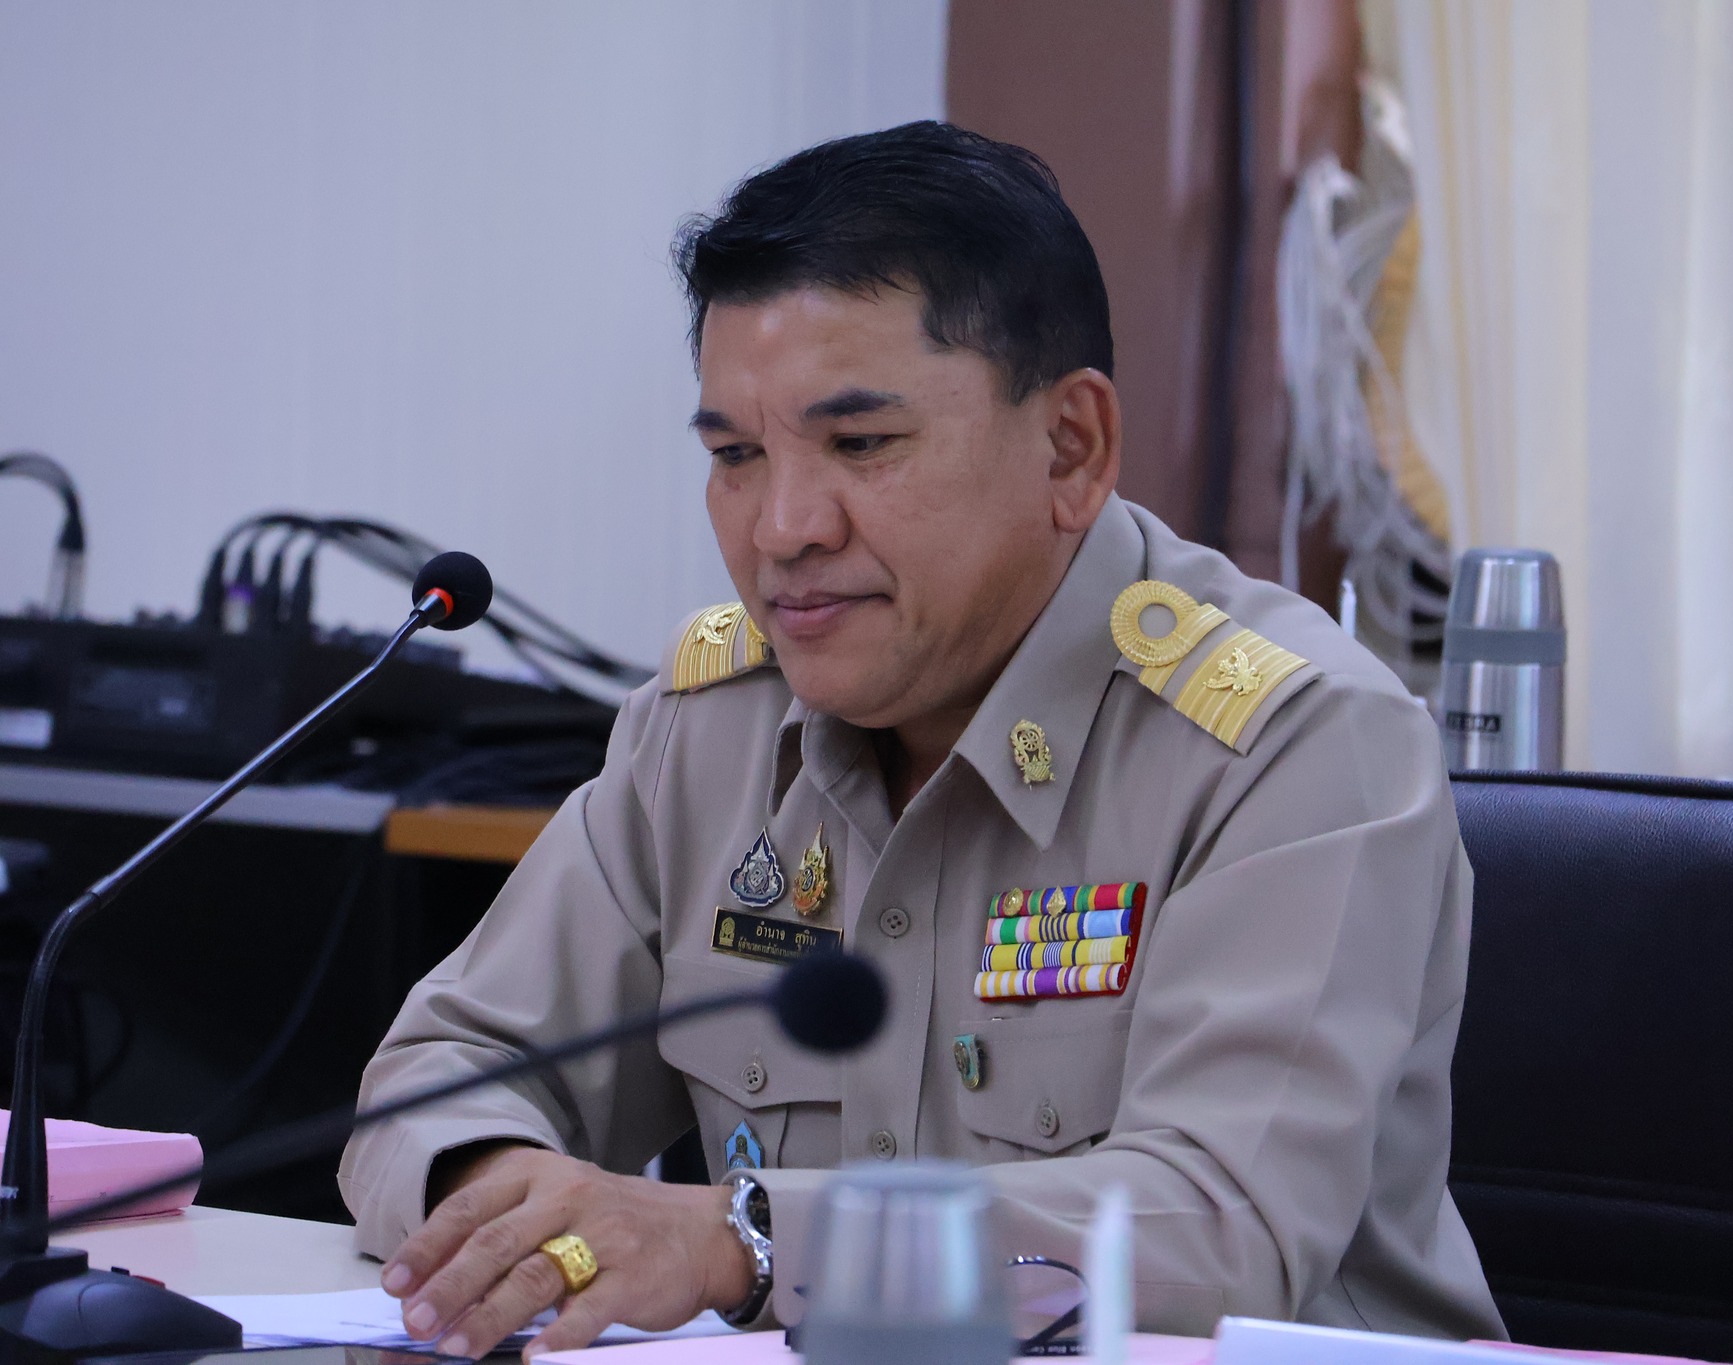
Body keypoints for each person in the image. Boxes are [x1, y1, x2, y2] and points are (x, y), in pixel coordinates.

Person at [339, 119, 1504, 1359]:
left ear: (1071, 448)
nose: (782, 527)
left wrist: (739, 1240)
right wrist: (514, 1214)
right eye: (735, 455)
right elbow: (444, 1069)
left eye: (859, 445)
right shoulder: (709, 729)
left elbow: (1221, 1224)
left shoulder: (1295, 742)